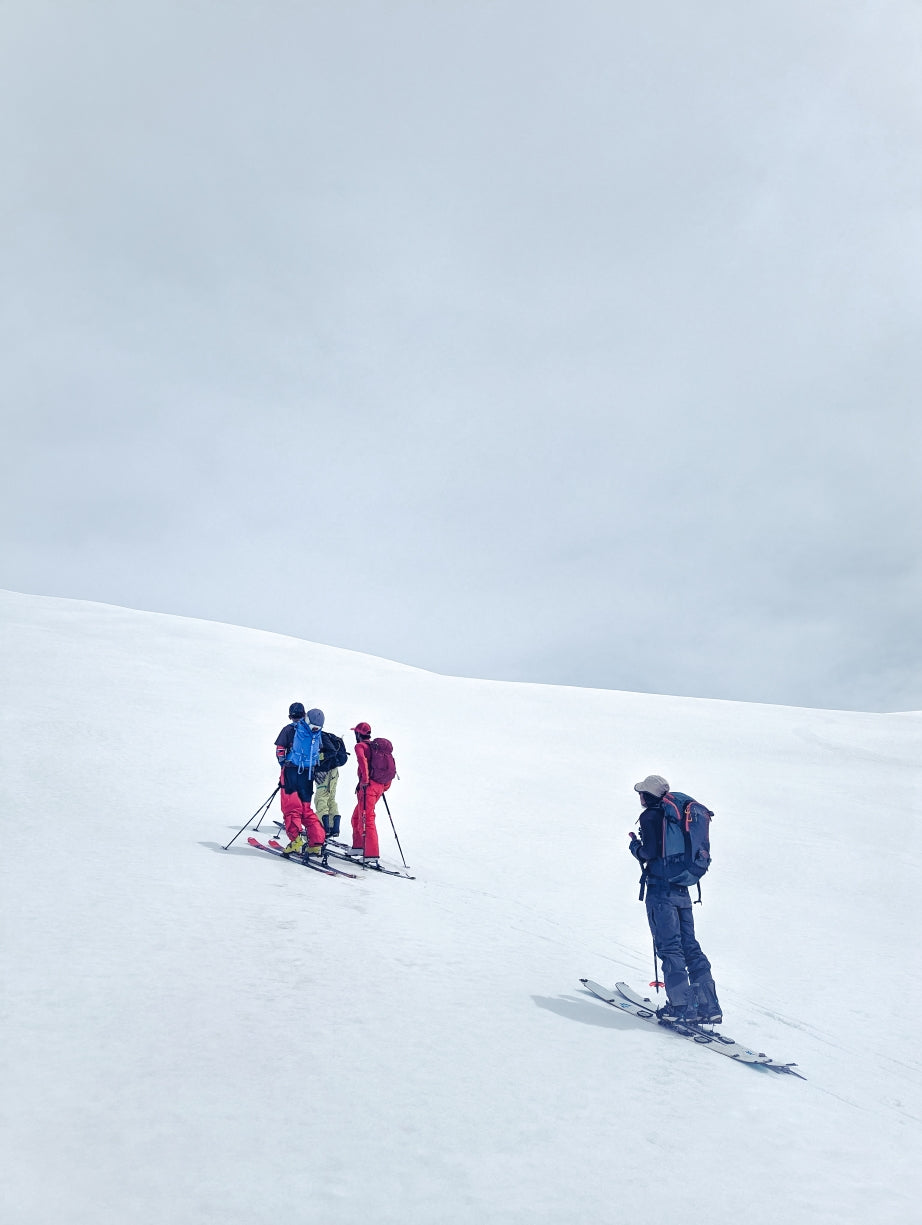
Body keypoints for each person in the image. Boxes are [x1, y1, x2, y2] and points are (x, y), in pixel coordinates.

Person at [628, 773, 722, 1025]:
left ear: (647, 795)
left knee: (670, 947)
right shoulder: (676, 817)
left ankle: (681, 1006)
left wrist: (635, 848)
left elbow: (648, 851)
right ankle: (708, 1006)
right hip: (683, 888)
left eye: (641, 792)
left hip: (661, 891)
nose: (639, 796)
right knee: (690, 946)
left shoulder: (651, 816)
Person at [274, 703, 327, 856]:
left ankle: (296, 839)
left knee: (291, 808)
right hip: (308, 774)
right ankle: (316, 842)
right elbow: (319, 750)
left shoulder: (290, 729)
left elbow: (280, 750)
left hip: (292, 772)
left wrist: (283, 764)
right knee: (306, 810)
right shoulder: (315, 733)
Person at [346, 721, 396, 867]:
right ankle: (358, 847)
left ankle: (371, 854)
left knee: (367, 819)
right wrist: (383, 786)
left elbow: (362, 761)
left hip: (368, 787)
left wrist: (366, 781)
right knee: (357, 816)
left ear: (358, 734)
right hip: (379, 786)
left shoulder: (360, 746)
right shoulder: (376, 748)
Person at [310, 712, 349, 840]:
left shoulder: (320, 736)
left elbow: (331, 752)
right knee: (331, 798)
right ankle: (333, 827)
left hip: (325, 772)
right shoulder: (323, 736)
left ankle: (323, 828)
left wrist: (317, 759)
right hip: (334, 771)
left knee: (320, 798)